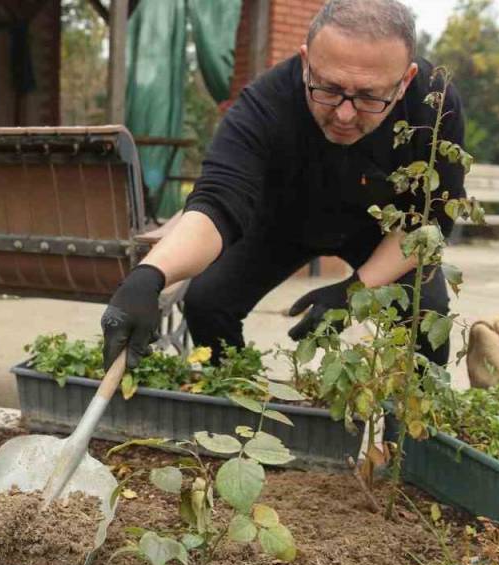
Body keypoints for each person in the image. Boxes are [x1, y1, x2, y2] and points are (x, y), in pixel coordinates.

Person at [101, 0, 465, 371]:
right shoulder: (264, 103)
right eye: (328, 88)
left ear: (404, 80)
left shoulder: (434, 105)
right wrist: (149, 275)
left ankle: (406, 428)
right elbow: (217, 201)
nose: (344, 114)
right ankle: (237, 398)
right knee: (207, 302)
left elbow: (428, 222)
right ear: (306, 62)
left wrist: (354, 290)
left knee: (425, 313)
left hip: (383, 231)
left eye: (369, 97)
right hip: (282, 221)